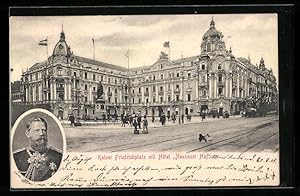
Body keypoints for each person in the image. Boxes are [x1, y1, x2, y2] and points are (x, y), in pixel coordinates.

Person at [13, 117, 62, 182]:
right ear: (28, 134)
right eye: (37, 130)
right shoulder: (15, 157)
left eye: (44, 130)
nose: (41, 133)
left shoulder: (58, 156)